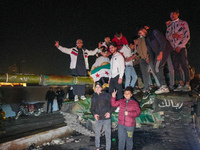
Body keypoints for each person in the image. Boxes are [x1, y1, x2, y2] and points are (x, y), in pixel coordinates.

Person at [137, 26, 173, 94]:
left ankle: (164, 86)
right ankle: (163, 86)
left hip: (163, 50)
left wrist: (161, 53)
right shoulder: (146, 38)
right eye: (139, 34)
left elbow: (163, 42)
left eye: (140, 33)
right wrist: (147, 56)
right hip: (158, 52)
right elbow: (149, 49)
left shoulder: (154, 32)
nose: (140, 35)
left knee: (157, 68)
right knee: (156, 68)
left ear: (144, 30)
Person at [166, 9, 191, 91]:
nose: (172, 15)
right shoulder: (169, 25)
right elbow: (167, 36)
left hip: (181, 47)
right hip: (172, 49)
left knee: (184, 65)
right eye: (171, 14)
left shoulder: (183, 23)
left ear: (177, 14)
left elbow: (187, 36)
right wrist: (173, 35)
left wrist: (180, 46)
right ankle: (181, 84)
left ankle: (187, 84)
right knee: (175, 67)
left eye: (173, 13)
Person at [90, 82, 115, 150]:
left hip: (106, 118)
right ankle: (97, 147)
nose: (97, 88)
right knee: (97, 134)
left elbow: (113, 105)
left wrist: (109, 112)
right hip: (98, 118)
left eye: (99, 87)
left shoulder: (106, 95)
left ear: (101, 88)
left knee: (108, 135)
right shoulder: (94, 97)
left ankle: (108, 148)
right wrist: (94, 114)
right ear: (95, 88)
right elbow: (92, 108)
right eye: (96, 87)